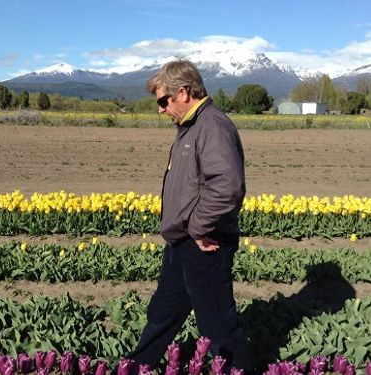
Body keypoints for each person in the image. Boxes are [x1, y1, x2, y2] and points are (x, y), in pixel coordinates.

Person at [121, 59, 254, 374]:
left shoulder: (212, 126)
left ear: (183, 92)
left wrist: (197, 228)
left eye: (163, 101)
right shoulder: (191, 126)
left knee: (217, 324)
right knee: (163, 313)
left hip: (206, 243)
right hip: (183, 242)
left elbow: (227, 186)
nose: (161, 109)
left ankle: (240, 369)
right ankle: (134, 368)